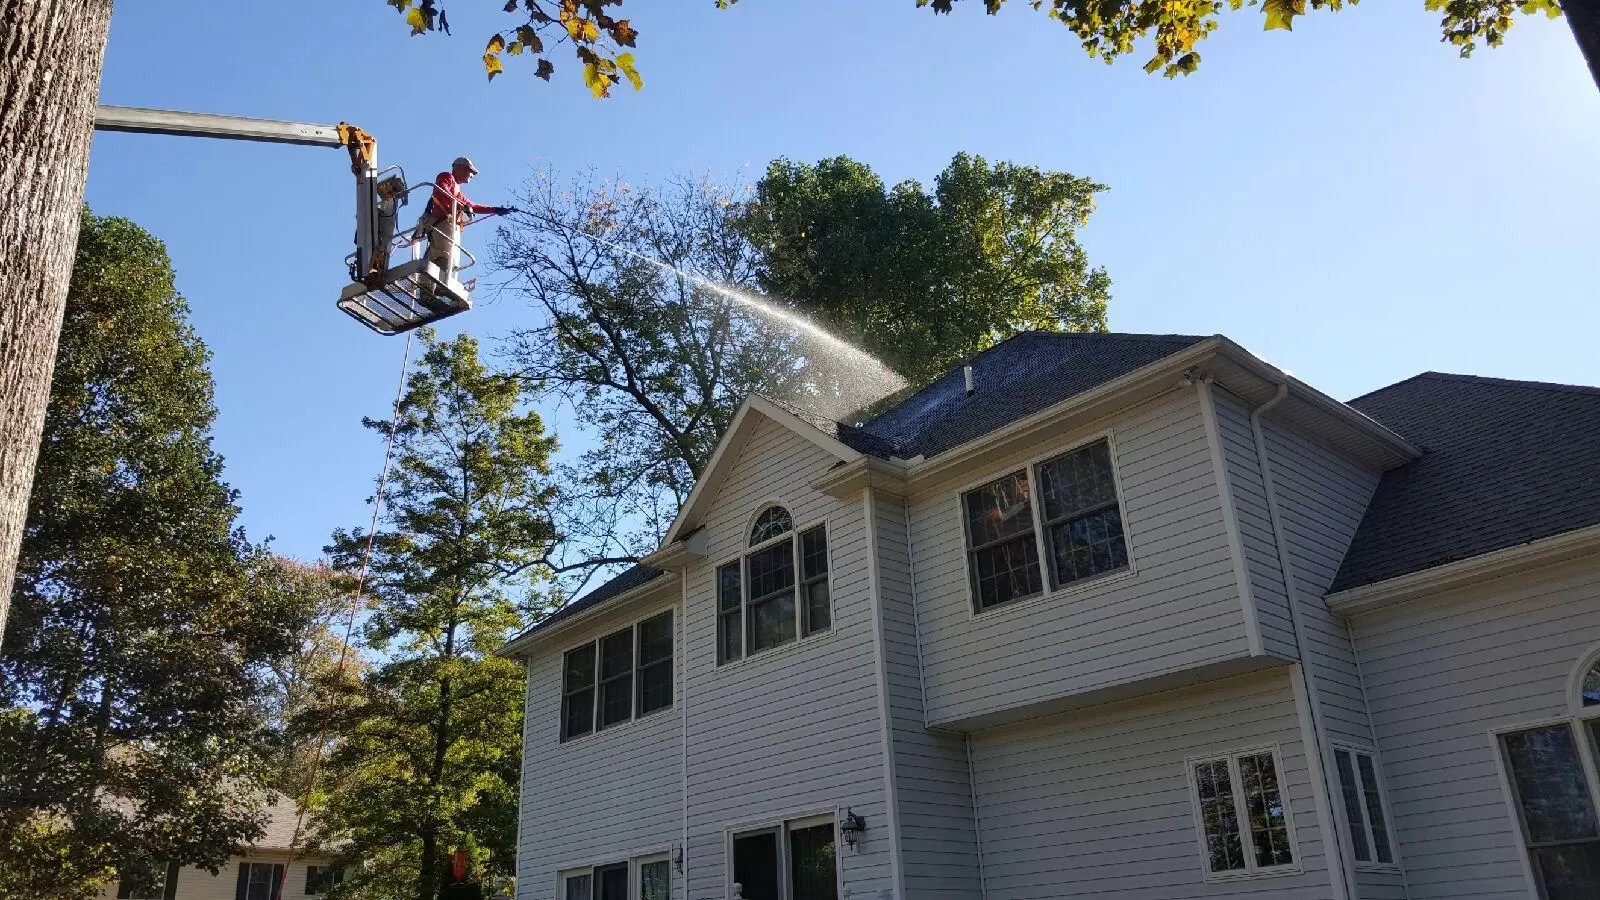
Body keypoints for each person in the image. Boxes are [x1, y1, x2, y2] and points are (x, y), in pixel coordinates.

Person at [416, 156, 514, 281]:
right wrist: (462, 205)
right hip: (442, 222)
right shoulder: (447, 177)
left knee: (447, 255)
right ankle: (436, 284)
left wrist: (495, 209)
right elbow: (442, 190)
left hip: (449, 225)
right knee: (443, 253)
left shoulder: (458, 192)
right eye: (470, 171)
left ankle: (436, 284)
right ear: (459, 168)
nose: (472, 175)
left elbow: (473, 206)